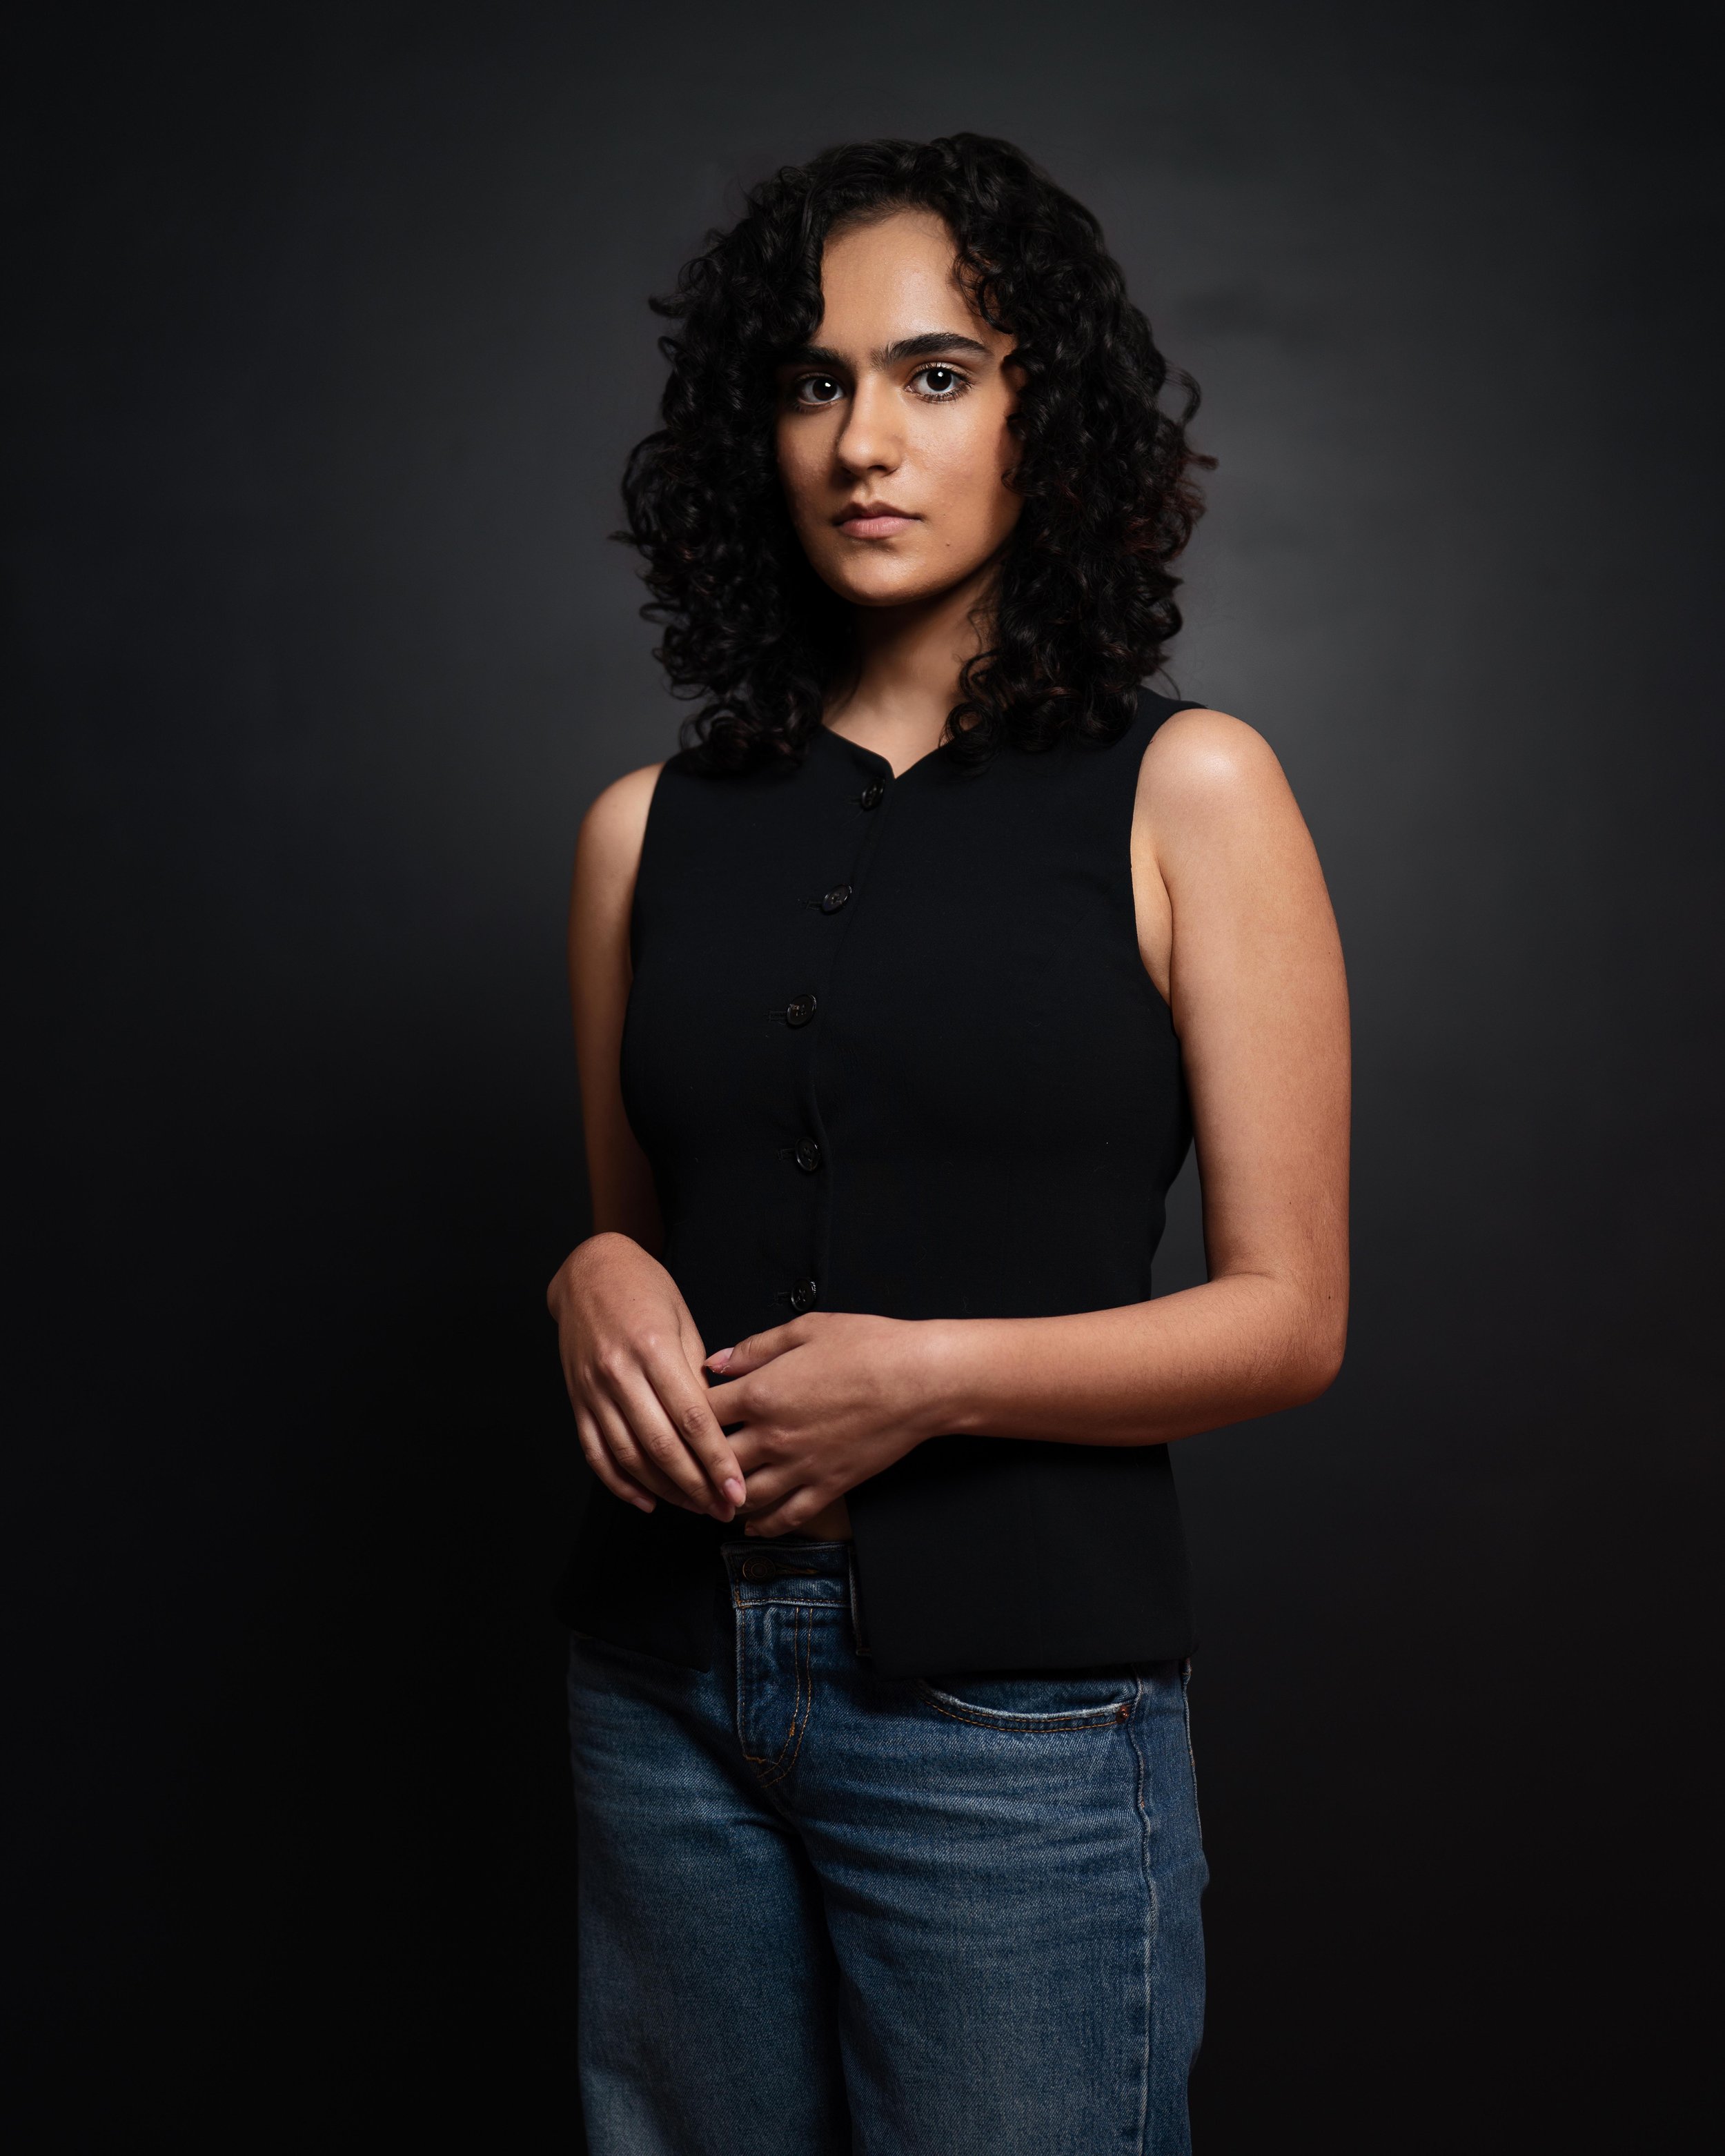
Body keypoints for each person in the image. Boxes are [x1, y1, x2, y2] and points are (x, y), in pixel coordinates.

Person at [546, 133, 1349, 2156]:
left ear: (1038, 415)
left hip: (1014, 1721)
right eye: (814, 382)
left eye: (934, 372)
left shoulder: (1192, 791)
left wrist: (930, 1377)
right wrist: (587, 1275)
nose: (862, 440)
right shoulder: (641, 832)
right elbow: (633, 1243)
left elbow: (1288, 1321)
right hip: (659, 1687)